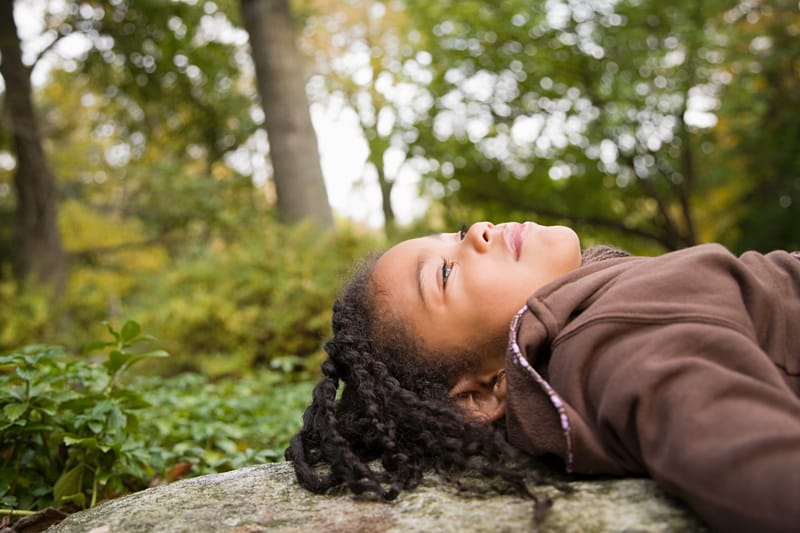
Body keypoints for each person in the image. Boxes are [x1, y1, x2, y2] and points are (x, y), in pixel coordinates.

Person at [286, 221, 800, 532]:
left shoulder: (591, 305)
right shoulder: (613, 337)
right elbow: (750, 463)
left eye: (456, 233)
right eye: (444, 272)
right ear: (480, 394)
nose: (476, 233)